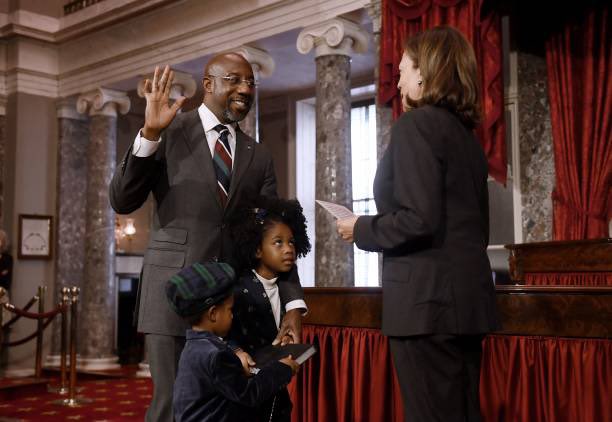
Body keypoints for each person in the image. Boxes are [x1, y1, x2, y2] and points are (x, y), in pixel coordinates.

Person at [109, 53, 306, 422]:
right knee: (170, 406)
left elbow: (274, 234)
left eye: (251, 83)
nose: (245, 89)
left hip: (231, 307)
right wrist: (149, 135)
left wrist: (293, 303)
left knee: (225, 408)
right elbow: (122, 198)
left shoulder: (258, 155)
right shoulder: (168, 131)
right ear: (209, 83)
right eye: (235, 79)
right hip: (172, 297)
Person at [336, 26, 498, 422]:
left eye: (404, 70)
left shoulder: (417, 125)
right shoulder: (467, 138)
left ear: (425, 74)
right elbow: (478, 230)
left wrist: (360, 228)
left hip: (425, 307)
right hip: (466, 305)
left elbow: (418, 219)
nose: (400, 79)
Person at [166, 261, 299, 422]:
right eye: (230, 310)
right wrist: (282, 368)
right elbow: (250, 394)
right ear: (213, 314)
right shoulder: (217, 355)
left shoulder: (192, 347)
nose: (232, 315)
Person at [227, 196, 311, 421]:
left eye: (291, 242)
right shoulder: (239, 289)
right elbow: (225, 334)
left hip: (275, 386)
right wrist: (236, 351)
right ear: (257, 251)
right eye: (278, 243)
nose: (288, 249)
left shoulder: (285, 290)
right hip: (244, 390)